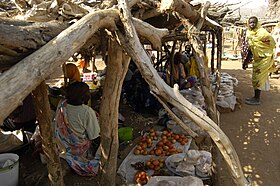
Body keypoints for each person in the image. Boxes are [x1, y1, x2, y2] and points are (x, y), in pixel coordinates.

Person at [54, 81, 100, 176]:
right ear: (83, 96)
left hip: (62, 142)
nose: (89, 94)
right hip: (77, 148)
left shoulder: (62, 104)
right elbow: (94, 136)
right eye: (88, 92)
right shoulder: (87, 112)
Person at [245, 16, 276, 105]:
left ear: (257, 23)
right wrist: (247, 60)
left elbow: (272, 43)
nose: (252, 24)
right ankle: (255, 97)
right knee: (255, 77)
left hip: (265, 58)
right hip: (257, 59)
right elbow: (251, 48)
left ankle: (257, 99)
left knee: (258, 78)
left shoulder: (263, 33)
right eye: (250, 22)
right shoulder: (249, 33)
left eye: (254, 22)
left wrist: (265, 51)